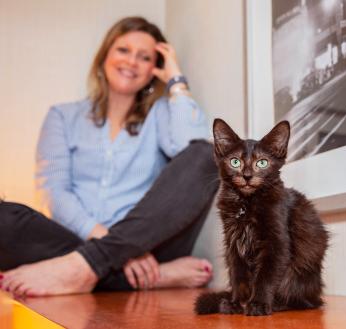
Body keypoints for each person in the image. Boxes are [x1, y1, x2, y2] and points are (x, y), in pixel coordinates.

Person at [0, 16, 219, 296]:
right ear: (105, 55)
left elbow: (193, 149)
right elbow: (54, 193)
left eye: (145, 57)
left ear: (155, 68)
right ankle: (146, 276)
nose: (131, 62)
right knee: (4, 217)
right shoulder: (63, 116)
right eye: (124, 50)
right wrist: (116, 246)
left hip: (150, 245)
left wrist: (176, 81)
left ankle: (83, 269)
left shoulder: (162, 114)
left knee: (204, 154)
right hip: (78, 243)